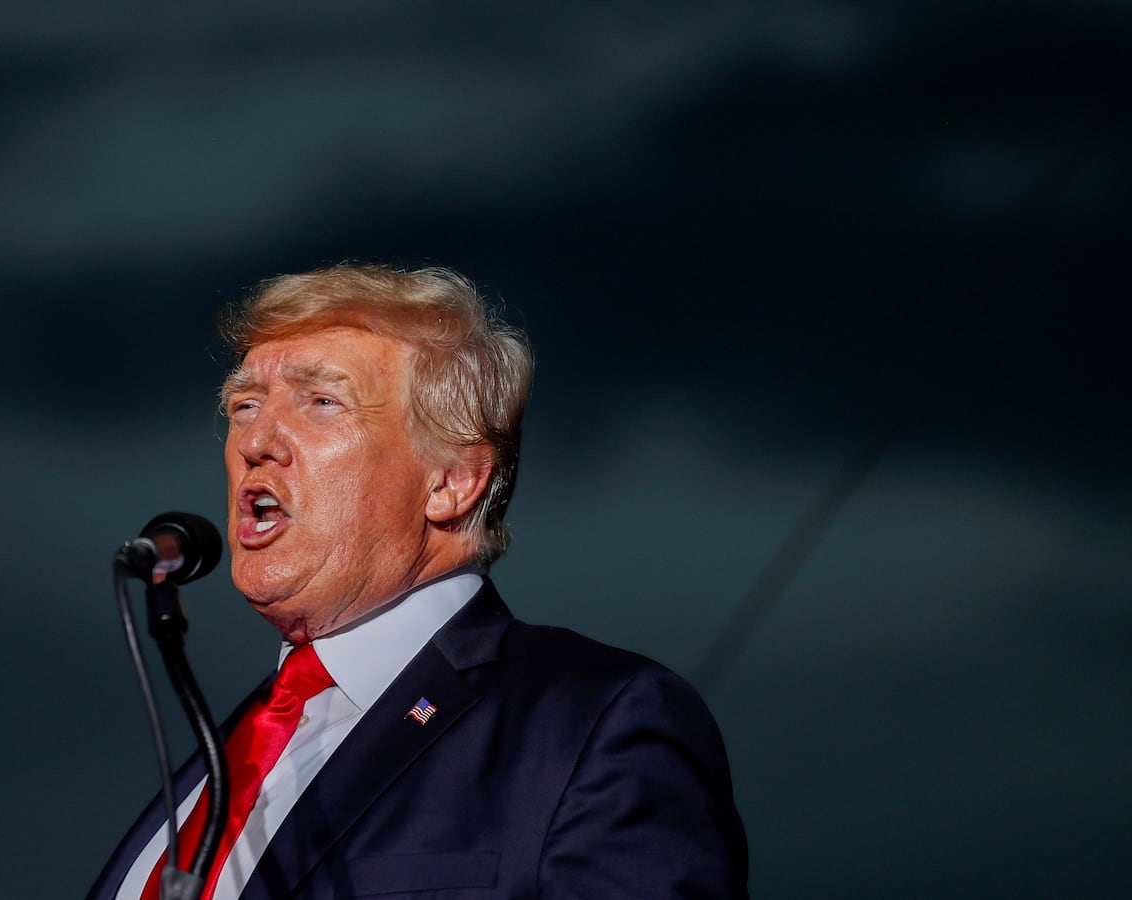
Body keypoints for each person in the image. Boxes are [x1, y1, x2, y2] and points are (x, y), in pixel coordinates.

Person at [90, 263, 748, 899]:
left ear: (452, 481)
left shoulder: (592, 725)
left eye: (321, 401)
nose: (257, 439)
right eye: (245, 404)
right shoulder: (227, 753)